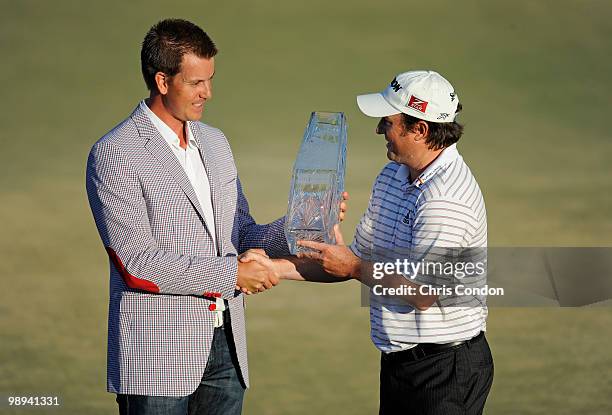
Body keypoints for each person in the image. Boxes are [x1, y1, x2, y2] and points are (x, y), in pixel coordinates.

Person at [249, 70, 494, 414]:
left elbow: (421, 293)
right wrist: (272, 268)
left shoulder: (445, 200)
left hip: (444, 371)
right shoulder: (394, 175)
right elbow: (353, 263)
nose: (379, 129)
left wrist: (352, 265)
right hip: (402, 364)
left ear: (420, 129)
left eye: (388, 121)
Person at [86, 18, 290, 415]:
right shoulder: (115, 153)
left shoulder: (215, 143)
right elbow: (137, 264)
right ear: (163, 81)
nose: (208, 93)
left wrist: (299, 226)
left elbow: (241, 232)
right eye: (196, 83)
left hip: (227, 350)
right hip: (156, 358)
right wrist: (232, 276)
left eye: (210, 80)